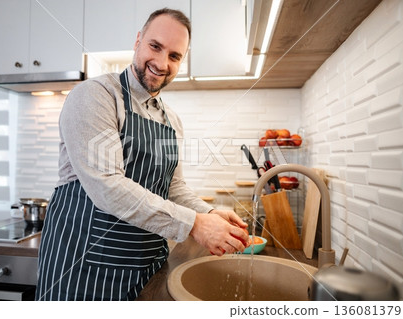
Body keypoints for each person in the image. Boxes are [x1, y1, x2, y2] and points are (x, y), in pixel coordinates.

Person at [35, 8, 249, 301]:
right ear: (138, 40)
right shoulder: (96, 96)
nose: (162, 63)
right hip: (84, 272)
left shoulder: (171, 120)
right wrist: (196, 225)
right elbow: (108, 187)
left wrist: (207, 213)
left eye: (174, 56)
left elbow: (173, 187)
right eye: (155, 46)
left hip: (146, 268)